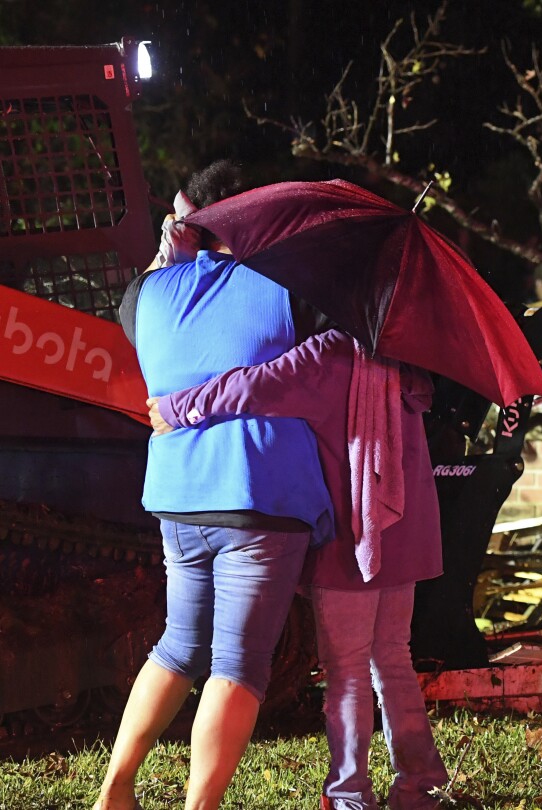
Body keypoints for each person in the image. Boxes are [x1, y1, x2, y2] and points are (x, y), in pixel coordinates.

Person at [95, 161, 334, 810]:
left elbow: (131, 305)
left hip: (176, 493)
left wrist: (168, 249)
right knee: (238, 665)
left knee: (179, 644)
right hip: (258, 494)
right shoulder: (288, 285)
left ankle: (115, 790)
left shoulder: (150, 296)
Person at [149, 329, 449, 810]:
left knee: (347, 671)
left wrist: (175, 407)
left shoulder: (329, 353)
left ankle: (351, 796)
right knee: (393, 658)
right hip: (404, 530)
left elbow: (251, 387)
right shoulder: (403, 355)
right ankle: (421, 785)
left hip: (356, 532)